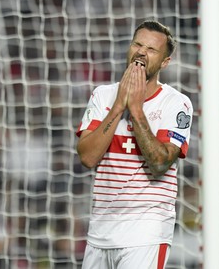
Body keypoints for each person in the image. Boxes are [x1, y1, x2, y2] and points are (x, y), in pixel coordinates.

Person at [76, 20, 193, 269]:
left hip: (146, 233)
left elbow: (160, 162)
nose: (141, 51)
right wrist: (119, 105)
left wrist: (136, 109)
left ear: (164, 62)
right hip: (100, 231)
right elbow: (87, 157)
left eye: (151, 49)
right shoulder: (102, 95)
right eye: (137, 44)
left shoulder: (176, 104)